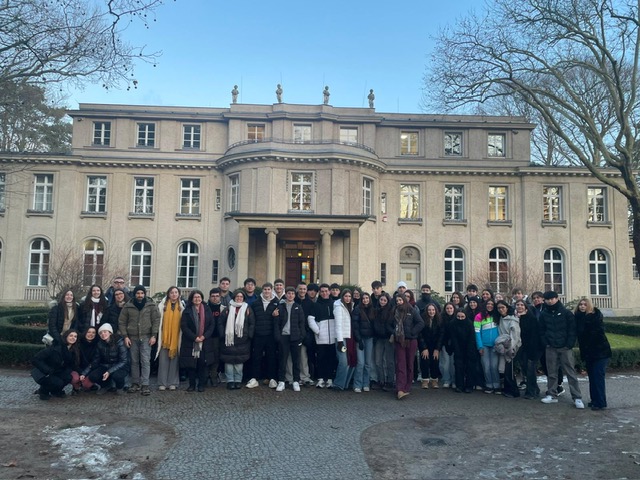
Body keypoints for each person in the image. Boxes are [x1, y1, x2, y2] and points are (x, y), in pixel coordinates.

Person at [539, 291, 584, 408]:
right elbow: (541, 330)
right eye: (547, 299)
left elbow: (572, 330)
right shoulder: (544, 314)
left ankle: (577, 397)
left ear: (557, 298)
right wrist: (546, 343)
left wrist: (569, 344)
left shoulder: (566, 313)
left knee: (570, 372)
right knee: (552, 372)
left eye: (552, 299)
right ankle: (552, 394)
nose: (550, 301)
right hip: (551, 347)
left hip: (565, 347)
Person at [118, 285, 160, 396]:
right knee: (134, 361)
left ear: (145, 294)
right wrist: (125, 336)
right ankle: (135, 383)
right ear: (134, 294)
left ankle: (145, 384)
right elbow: (122, 322)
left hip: (146, 337)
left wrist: (154, 335)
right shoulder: (128, 306)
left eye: (142, 293)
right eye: (138, 293)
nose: (140, 295)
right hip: (132, 337)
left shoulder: (151, 305)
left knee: (145, 361)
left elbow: (156, 320)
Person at [575, 298, 611, 410]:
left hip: (600, 352)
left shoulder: (595, 318)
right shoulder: (579, 318)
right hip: (589, 353)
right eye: (580, 304)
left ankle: (601, 402)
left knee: (598, 376)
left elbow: (597, 334)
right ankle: (594, 400)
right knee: (592, 377)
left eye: (585, 304)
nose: (582, 306)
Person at [180, 290, 217, 392]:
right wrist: (194, 337)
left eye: (199, 297)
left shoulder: (207, 309)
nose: (197, 299)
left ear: (202, 298)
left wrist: (204, 336)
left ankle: (201, 384)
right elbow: (184, 326)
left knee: (202, 364)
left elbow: (212, 325)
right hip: (190, 341)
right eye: (195, 297)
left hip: (204, 342)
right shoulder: (187, 311)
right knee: (191, 364)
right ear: (192, 299)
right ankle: (192, 385)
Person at [219, 290, 255, 390]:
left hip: (243, 339)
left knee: (239, 361)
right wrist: (223, 335)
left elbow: (252, 323)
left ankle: (238, 380)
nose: (239, 298)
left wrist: (249, 335)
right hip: (229, 339)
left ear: (243, 298)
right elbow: (221, 322)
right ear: (234, 297)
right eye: (237, 296)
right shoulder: (228, 308)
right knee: (229, 361)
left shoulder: (247, 309)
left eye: (241, 297)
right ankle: (230, 381)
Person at [246, 283, 279, 389]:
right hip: (258, 334)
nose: (267, 291)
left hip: (270, 335)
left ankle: (272, 378)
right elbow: (252, 318)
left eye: (268, 289)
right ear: (262, 290)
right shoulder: (256, 303)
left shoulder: (277, 303)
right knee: (256, 357)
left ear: (271, 290)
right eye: (265, 289)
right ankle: (254, 378)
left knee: (271, 357)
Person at [80, 323, 128, 395]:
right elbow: (96, 361)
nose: (103, 334)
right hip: (105, 365)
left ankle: (120, 387)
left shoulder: (119, 342)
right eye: (101, 333)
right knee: (93, 376)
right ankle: (105, 385)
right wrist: (84, 373)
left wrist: (109, 371)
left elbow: (123, 361)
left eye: (105, 332)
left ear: (110, 332)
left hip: (119, 365)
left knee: (117, 376)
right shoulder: (100, 344)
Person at [274, 287, 306, 392]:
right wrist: (278, 337)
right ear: (286, 295)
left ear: (294, 295)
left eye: (292, 293)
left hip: (295, 337)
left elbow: (302, 323)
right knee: (282, 360)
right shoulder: (280, 307)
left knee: (296, 360)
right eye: (289, 293)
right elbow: (277, 323)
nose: (290, 295)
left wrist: (301, 336)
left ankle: (296, 381)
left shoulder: (298, 307)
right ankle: (281, 381)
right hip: (284, 337)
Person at [393, 295, 424, 400]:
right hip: (399, 340)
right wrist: (394, 332)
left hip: (411, 340)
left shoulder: (412, 310)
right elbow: (390, 324)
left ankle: (407, 387)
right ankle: (400, 388)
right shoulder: (394, 311)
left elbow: (420, 323)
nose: (398, 302)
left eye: (400, 300)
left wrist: (412, 332)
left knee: (409, 364)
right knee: (401, 364)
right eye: (397, 300)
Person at [32, 329, 77, 400]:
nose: (73, 338)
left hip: (57, 371)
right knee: (57, 382)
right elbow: (36, 359)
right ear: (66, 337)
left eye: (75, 336)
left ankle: (56, 391)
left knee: (68, 377)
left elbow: (69, 364)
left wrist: (67, 371)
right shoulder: (55, 347)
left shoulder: (73, 350)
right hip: (44, 372)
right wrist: (47, 370)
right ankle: (43, 392)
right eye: (71, 336)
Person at [308, 284, 336, 389]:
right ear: (320, 293)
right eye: (322, 291)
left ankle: (329, 379)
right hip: (320, 337)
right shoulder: (315, 305)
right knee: (320, 358)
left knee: (331, 358)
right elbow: (310, 319)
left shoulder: (334, 304)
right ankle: (320, 378)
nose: (324, 293)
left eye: (326, 291)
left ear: (329, 292)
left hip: (333, 337)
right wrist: (318, 331)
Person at [156, 286, 184, 391]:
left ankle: (173, 382)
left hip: (176, 337)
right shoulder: (162, 306)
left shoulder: (182, 306)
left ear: (179, 294)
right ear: (168, 294)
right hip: (164, 337)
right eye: (172, 292)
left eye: (176, 292)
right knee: (163, 361)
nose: (174, 294)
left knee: (174, 361)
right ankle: (162, 382)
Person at [445, 309, 476, 393]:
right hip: (457, 347)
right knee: (458, 367)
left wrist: (470, 349)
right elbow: (453, 338)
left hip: (469, 347)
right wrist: (456, 349)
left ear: (465, 316)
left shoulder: (469, 323)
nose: (460, 318)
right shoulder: (452, 323)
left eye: (462, 317)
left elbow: (472, 337)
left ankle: (469, 386)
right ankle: (459, 385)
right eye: (458, 316)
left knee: (469, 367)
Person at [517, 299, 543, 399]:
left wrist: (533, 350)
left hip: (532, 348)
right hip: (522, 348)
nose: (519, 306)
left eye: (521, 305)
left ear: (526, 307)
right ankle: (535, 388)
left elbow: (534, 335)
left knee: (530, 370)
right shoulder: (516, 318)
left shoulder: (531, 318)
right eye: (517, 305)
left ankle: (531, 392)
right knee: (525, 369)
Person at [495, 300, 521, 398]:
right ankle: (507, 389)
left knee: (510, 370)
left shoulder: (512, 320)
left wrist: (511, 349)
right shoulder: (500, 319)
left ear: (507, 308)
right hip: (503, 346)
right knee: (504, 370)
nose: (501, 310)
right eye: (499, 308)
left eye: (503, 307)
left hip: (511, 347)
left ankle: (514, 391)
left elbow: (515, 336)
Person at [475, 299, 500, 394]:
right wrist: (480, 346)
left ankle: (497, 385)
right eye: (488, 304)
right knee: (486, 366)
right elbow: (477, 332)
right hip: (484, 345)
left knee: (494, 366)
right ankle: (489, 385)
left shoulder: (497, 315)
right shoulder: (479, 316)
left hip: (495, 345)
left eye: (492, 304)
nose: (490, 305)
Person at [332, 289, 356, 391]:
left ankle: (344, 384)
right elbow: (338, 325)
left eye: (349, 296)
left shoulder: (350, 307)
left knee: (350, 361)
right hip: (341, 338)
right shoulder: (338, 307)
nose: (347, 298)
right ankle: (338, 384)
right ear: (342, 297)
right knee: (343, 362)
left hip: (349, 337)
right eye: (346, 296)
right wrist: (340, 341)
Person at [353, 292, 375, 392]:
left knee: (368, 363)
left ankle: (366, 383)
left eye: (367, 298)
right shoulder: (357, 309)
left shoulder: (372, 309)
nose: (365, 300)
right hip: (360, 338)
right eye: (363, 298)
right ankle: (357, 384)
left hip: (369, 338)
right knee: (360, 363)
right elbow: (355, 326)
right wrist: (358, 339)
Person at [373, 292, 395, 391]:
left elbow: (393, 324)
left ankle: (390, 381)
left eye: (384, 300)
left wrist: (392, 334)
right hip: (379, 338)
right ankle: (381, 380)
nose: (382, 302)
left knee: (389, 361)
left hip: (388, 338)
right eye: (381, 300)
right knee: (378, 361)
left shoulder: (391, 311)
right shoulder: (376, 310)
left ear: (388, 301)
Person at [419, 303, 443, 389]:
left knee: (435, 361)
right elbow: (420, 334)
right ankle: (425, 380)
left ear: (436, 311)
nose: (431, 312)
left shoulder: (439, 320)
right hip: (424, 345)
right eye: (429, 310)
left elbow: (441, 335)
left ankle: (434, 380)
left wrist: (437, 349)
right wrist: (424, 348)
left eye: (433, 310)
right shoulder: (422, 319)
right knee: (424, 361)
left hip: (435, 345)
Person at [206, 288, 226, 385]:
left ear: (220, 297)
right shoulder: (205, 308)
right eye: (213, 296)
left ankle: (214, 375)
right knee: (206, 357)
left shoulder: (224, 308)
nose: (215, 298)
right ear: (209, 297)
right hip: (206, 336)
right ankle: (205, 376)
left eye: (217, 296)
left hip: (218, 336)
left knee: (216, 357)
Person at [70, 326, 99, 393]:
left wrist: (84, 373)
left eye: (93, 333)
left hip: (89, 369)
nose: (91, 334)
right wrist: (80, 373)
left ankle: (85, 384)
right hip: (77, 368)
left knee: (86, 385)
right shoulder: (77, 344)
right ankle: (76, 385)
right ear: (85, 332)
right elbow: (74, 362)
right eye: (89, 332)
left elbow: (94, 362)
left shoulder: (97, 345)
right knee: (75, 379)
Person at [439, 302, 457, 388]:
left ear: (454, 309)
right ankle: (446, 379)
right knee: (445, 363)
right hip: (444, 343)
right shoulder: (441, 319)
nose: (449, 310)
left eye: (451, 308)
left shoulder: (457, 318)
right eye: (447, 308)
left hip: (455, 344)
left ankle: (454, 380)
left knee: (453, 363)